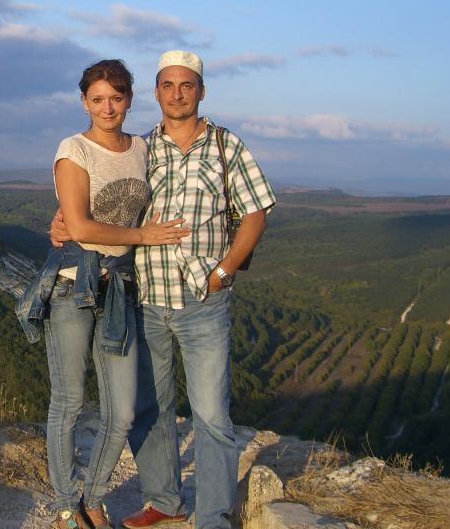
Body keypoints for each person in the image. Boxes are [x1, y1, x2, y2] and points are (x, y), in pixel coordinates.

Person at [52, 50, 276, 529]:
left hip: (203, 299)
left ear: (201, 91)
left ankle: (213, 517)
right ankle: (164, 501)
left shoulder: (225, 145)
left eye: (186, 85)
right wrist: (64, 221)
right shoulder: (144, 147)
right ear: (155, 93)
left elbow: (256, 211)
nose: (177, 94)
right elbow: (102, 198)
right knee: (148, 408)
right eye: (168, 85)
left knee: (211, 414)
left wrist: (224, 272)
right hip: (144, 296)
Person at [17, 59, 190, 529]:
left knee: (122, 410)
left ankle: (91, 498)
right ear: (84, 102)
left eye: (116, 97)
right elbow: (78, 226)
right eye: (97, 99)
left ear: (130, 99)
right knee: (69, 402)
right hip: (74, 285)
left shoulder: (142, 148)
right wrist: (142, 236)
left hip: (120, 288)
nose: (107, 107)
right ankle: (66, 507)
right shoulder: (74, 149)